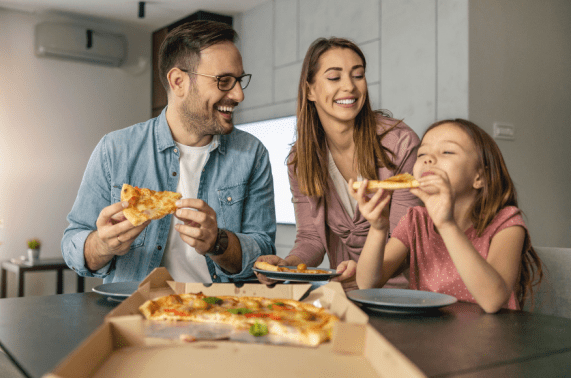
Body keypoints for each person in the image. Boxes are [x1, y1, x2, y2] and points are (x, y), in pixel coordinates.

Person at [62, 20, 276, 284]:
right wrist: (103, 245)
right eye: (224, 81)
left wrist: (218, 242)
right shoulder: (115, 149)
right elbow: (73, 245)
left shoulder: (252, 154)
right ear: (178, 82)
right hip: (135, 314)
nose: (239, 94)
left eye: (240, 81)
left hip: (220, 316)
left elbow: (265, 255)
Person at [255, 38, 421, 289]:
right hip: (345, 294)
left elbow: (405, 238)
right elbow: (312, 239)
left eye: (358, 75)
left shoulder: (399, 144)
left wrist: (365, 270)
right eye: (334, 77)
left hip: (405, 294)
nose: (349, 87)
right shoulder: (301, 161)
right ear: (310, 90)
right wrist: (287, 265)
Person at [352, 119, 543, 312]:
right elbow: (368, 284)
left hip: (492, 337)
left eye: (447, 152)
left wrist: (446, 225)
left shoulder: (506, 223)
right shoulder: (416, 220)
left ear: (480, 177)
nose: (428, 159)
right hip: (431, 335)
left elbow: (493, 300)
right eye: (422, 153)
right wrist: (378, 228)